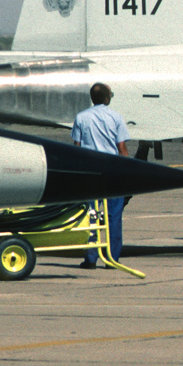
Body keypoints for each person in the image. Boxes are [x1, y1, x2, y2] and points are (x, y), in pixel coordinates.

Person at [71, 83, 130, 268]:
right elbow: (122, 148)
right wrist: (127, 173)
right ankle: (112, 258)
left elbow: (76, 148)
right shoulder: (116, 117)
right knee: (113, 216)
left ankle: (90, 258)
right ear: (107, 98)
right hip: (112, 172)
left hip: (90, 174)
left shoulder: (81, 117)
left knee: (91, 216)